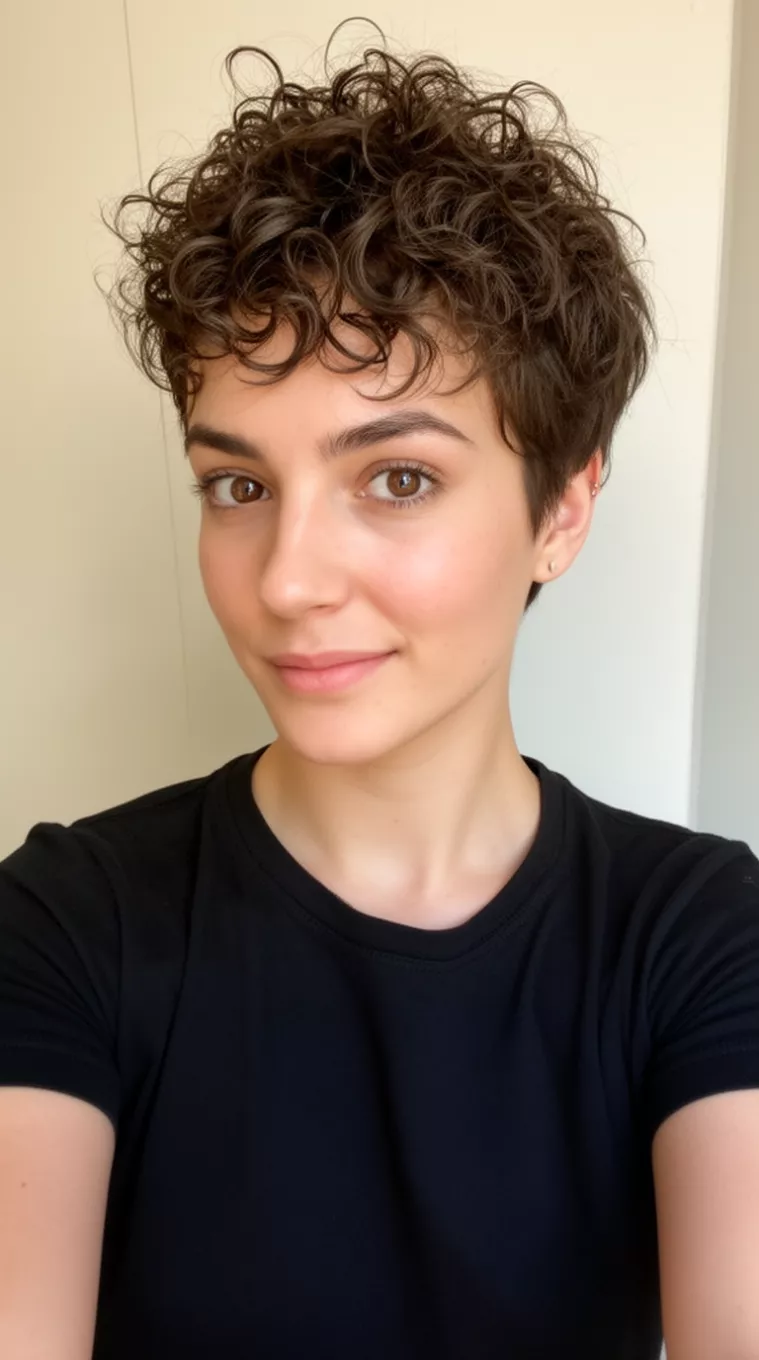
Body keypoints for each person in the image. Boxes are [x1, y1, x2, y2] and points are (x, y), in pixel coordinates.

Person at [2, 22, 759, 1360]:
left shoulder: (699, 940)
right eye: (239, 484)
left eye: (394, 478)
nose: (286, 578)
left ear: (561, 509)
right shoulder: (65, 924)